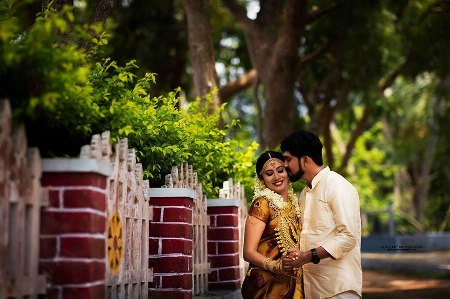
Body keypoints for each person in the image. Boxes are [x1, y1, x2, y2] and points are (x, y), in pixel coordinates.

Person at [280, 130, 362, 299]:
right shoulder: (304, 193)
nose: (285, 165)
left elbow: (348, 237)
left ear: (305, 159)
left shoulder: (337, 186)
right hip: (312, 290)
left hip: (339, 290)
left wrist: (308, 256)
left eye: (288, 159)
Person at [241, 151, 303, 299]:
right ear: (262, 179)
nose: (277, 177)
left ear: (287, 172)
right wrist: (277, 267)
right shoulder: (262, 204)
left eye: (280, 170)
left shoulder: (295, 205)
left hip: (295, 283)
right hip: (267, 286)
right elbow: (248, 252)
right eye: (269, 173)